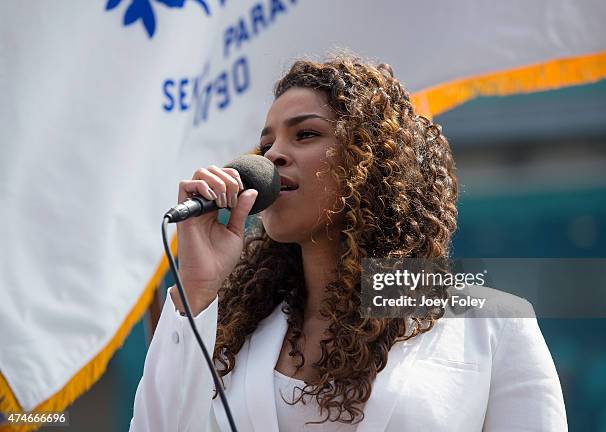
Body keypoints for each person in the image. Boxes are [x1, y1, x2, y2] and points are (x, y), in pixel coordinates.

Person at [130, 55, 567, 431]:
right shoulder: (231, 330)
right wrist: (199, 290)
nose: (272, 156)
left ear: (371, 160)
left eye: (305, 134)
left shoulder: (493, 324)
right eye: (266, 144)